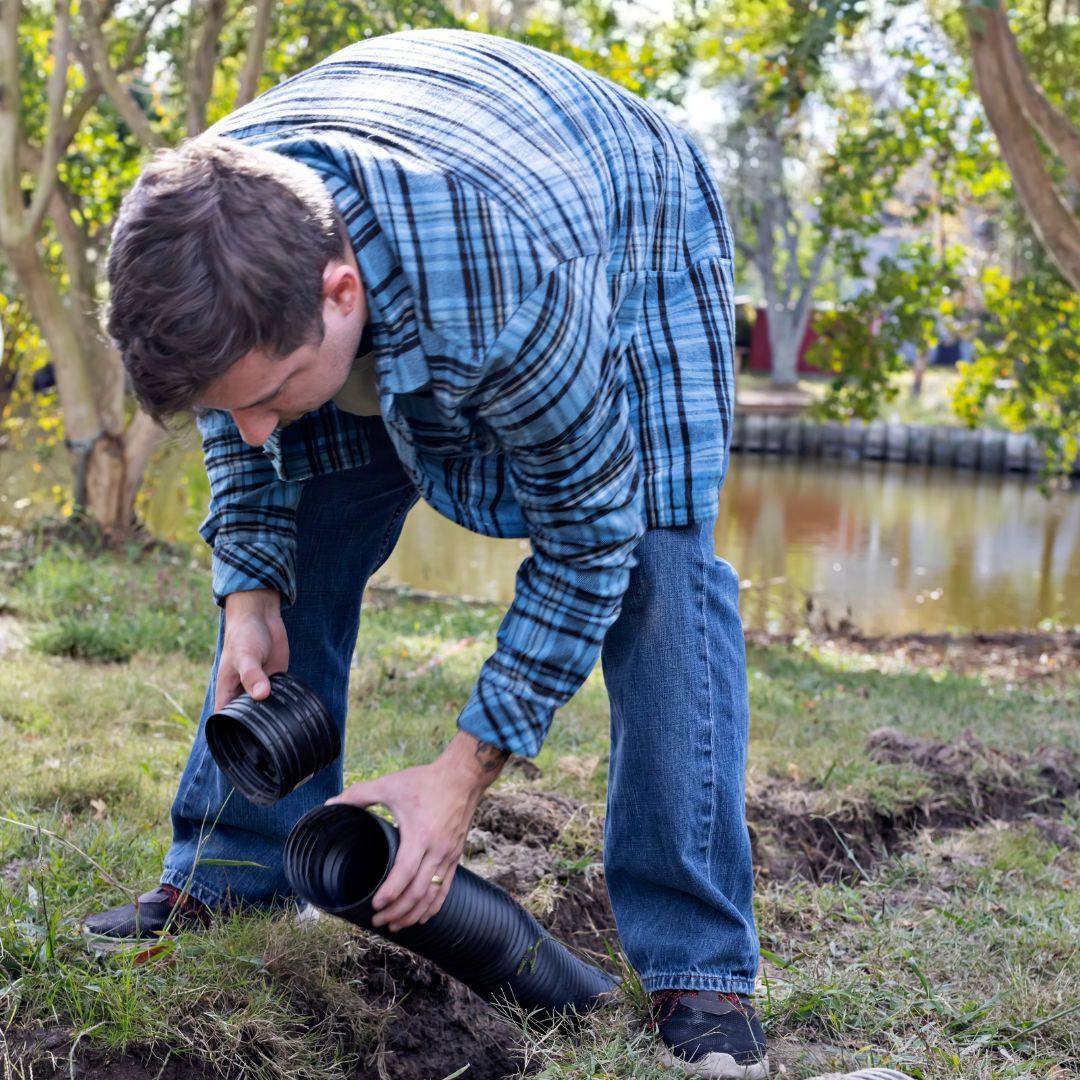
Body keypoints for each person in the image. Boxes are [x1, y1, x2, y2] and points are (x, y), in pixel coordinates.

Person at [91, 29, 765, 1079]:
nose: (256, 428)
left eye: (272, 395)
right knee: (299, 526)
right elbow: (240, 415)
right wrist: (250, 588)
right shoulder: (207, 221)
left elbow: (592, 537)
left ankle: (700, 970)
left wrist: (461, 777)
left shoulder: (512, 281)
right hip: (406, 187)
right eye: (234, 407)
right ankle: (231, 870)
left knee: (659, 577)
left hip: (625, 220)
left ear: (339, 293)